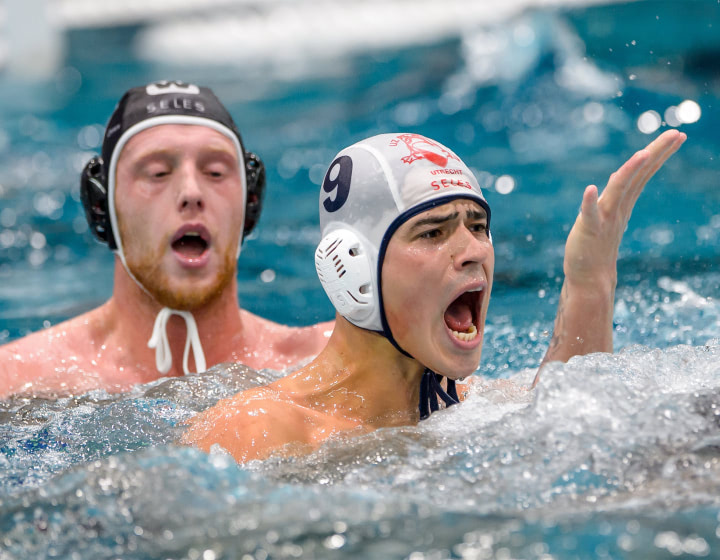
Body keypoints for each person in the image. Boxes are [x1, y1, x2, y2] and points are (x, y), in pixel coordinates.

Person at [182, 130, 686, 463]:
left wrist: (590, 277)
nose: (472, 251)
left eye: (479, 226)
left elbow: (580, 429)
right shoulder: (253, 433)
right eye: (432, 233)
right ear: (352, 266)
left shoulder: (471, 407)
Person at [0, 81, 332, 398]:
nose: (191, 192)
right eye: (157, 173)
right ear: (102, 207)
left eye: (215, 172)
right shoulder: (16, 380)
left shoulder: (326, 362)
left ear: (251, 203)